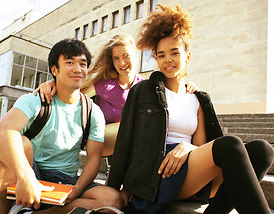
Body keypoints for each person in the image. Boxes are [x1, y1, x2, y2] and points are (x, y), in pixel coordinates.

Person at [107, 4, 274, 214]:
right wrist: (114, 189)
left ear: (187, 56)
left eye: (175, 52)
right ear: (155, 59)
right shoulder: (143, 91)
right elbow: (124, 141)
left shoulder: (197, 98)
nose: (168, 60)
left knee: (263, 150)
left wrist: (188, 147)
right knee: (230, 145)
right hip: (158, 173)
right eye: (161, 55)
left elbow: (202, 148)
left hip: (189, 173)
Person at [0, 38, 121, 214]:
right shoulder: (35, 99)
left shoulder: (92, 111)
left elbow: (94, 159)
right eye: (69, 62)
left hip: (65, 180)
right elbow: (1, 132)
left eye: (82, 63)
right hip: (31, 172)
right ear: (54, 69)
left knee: (111, 200)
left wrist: (77, 189)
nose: (77, 69)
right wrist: (26, 177)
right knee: (18, 143)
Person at [35, 34, 197, 157]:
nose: (121, 63)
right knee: (130, 125)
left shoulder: (145, 86)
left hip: (131, 147)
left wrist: (188, 87)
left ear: (135, 54)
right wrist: (52, 83)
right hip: (99, 140)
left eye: (126, 55)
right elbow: (72, 92)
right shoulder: (104, 85)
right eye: (116, 58)